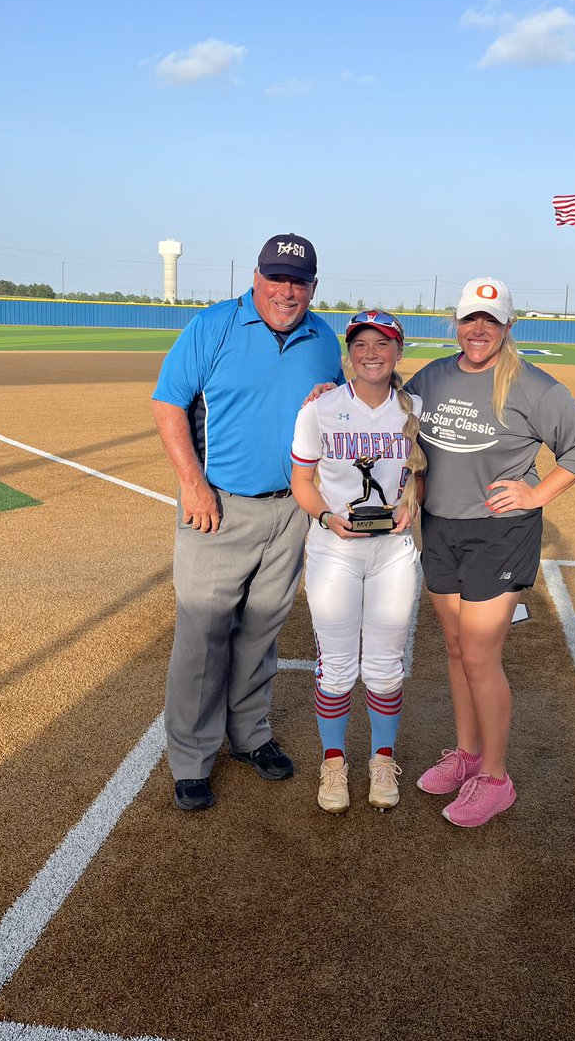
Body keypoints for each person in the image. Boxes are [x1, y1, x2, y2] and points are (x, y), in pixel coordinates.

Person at [151, 234, 344, 811]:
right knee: (203, 637)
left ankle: (250, 734)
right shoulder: (213, 326)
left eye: (300, 281)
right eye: (278, 277)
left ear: (314, 286)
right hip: (220, 506)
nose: (288, 291)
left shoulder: (323, 337)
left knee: (262, 631)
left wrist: (334, 396)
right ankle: (191, 758)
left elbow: (343, 407)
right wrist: (193, 484)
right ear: (256, 276)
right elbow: (168, 404)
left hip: (291, 508)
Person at [406, 278, 575, 828]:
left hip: (500, 535)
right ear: (456, 322)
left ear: (507, 327)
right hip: (440, 528)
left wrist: (537, 493)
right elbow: (389, 409)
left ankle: (495, 778)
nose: (478, 330)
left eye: (490, 321)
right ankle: (467, 755)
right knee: (452, 646)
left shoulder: (532, 386)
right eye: (471, 319)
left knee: (478, 654)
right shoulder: (434, 377)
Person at [290, 311, 425, 814]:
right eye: (361, 343)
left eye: (383, 343)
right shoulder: (320, 409)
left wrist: (412, 499)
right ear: (349, 352)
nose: (372, 353)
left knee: (386, 666)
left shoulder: (415, 407)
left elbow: (420, 475)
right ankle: (333, 762)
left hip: (392, 551)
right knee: (339, 667)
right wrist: (325, 516)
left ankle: (382, 759)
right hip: (335, 549)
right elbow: (303, 481)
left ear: (398, 351)